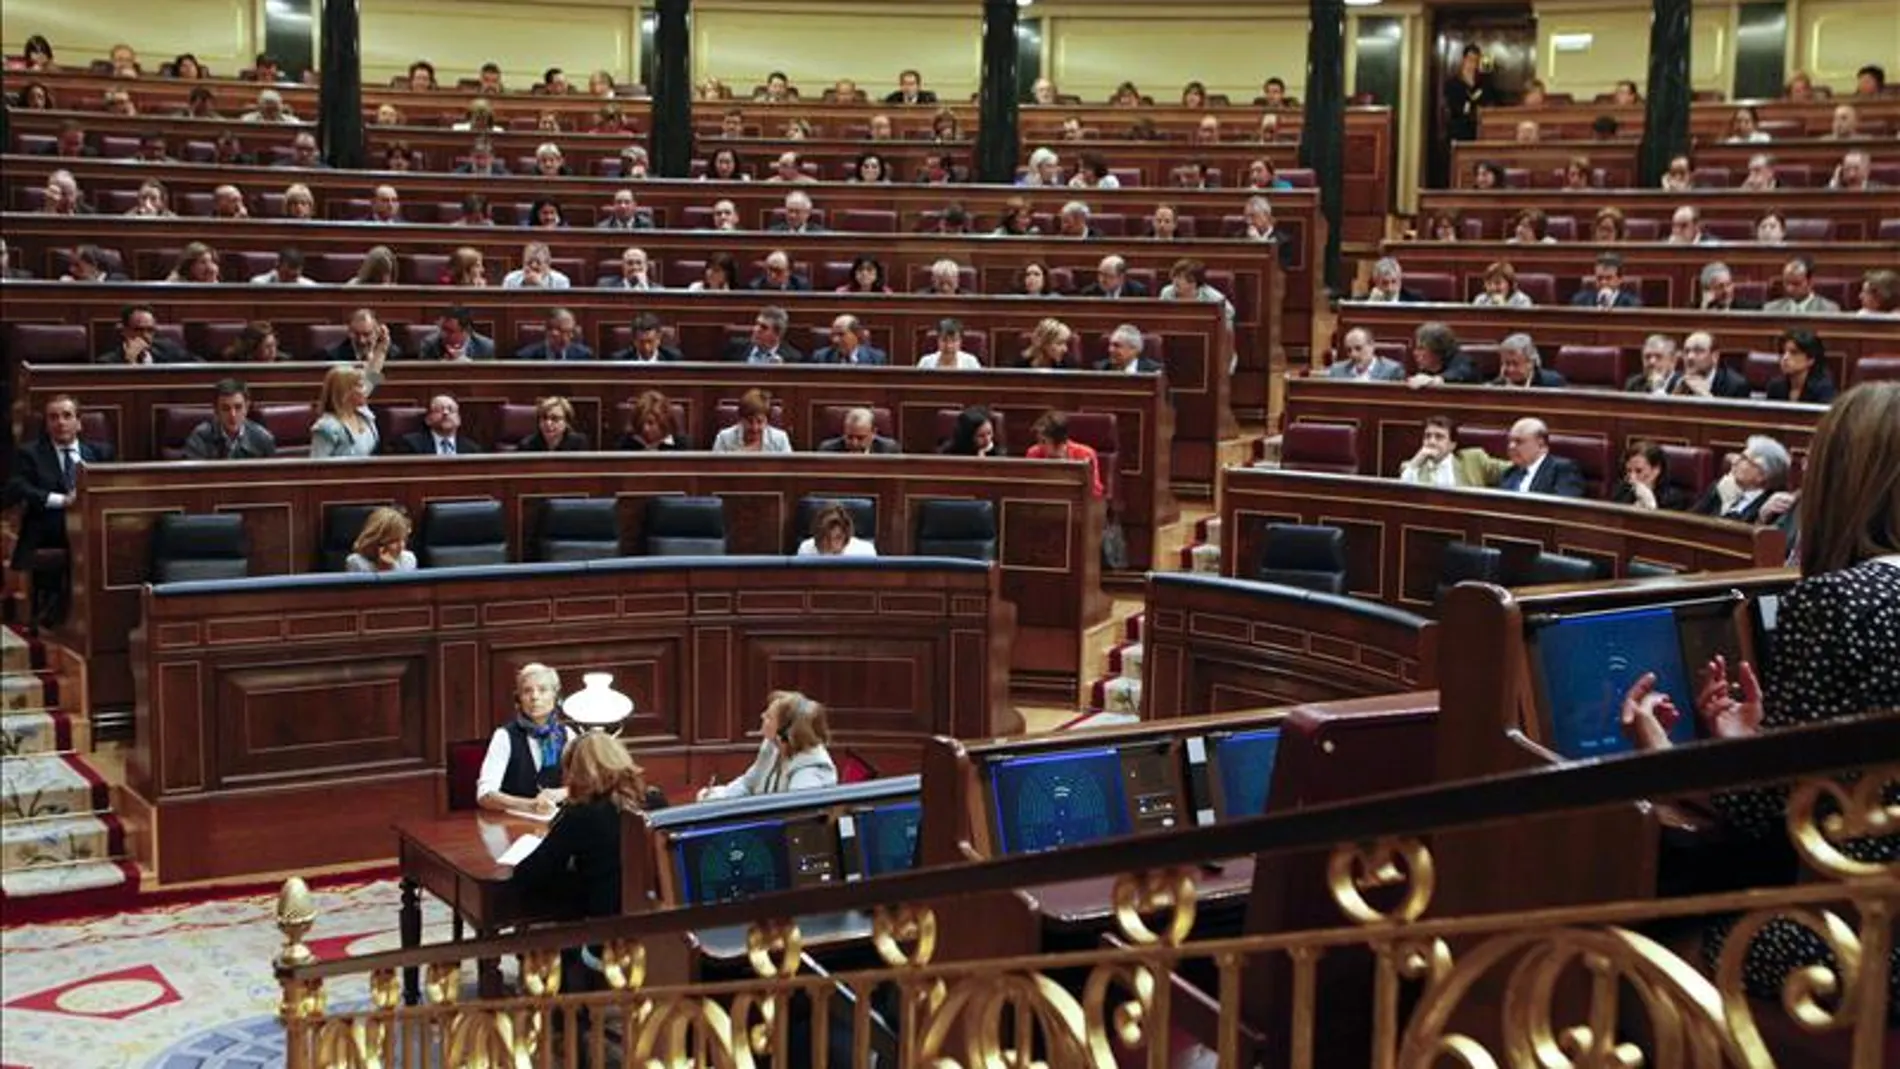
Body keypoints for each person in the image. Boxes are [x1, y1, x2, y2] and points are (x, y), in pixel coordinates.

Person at [1618, 382, 1900, 1016]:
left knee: (1651, 955)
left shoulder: (1841, 600)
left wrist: (1667, 760)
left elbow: (1769, 811)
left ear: (1841, 483)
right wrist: (1756, 745)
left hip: (1869, 942)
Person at [508, 732, 666, 941]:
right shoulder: (655, 800)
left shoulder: (582, 814)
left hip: (603, 932)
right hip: (657, 925)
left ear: (578, 772)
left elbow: (528, 874)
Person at [7, 396, 115, 624]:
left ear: (79, 422)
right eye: (53, 417)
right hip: (49, 527)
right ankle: (59, 616)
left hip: (94, 526)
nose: (61, 422)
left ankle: (103, 614)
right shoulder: (30, 454)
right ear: (46, 425)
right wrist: (62, 500)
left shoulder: (101, 454)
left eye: (67, 416)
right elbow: (17, 488)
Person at [478, 664, 581, 817]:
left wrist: (563, 793)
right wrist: (530, 805)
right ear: (518, 699)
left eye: (542, 690)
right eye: (527, 691)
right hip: (513, 822)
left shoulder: (568, 735)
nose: (534, 697)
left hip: (557, 822)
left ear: (556, 696)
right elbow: (485, 795)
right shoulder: (504, 736)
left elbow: (588, 786)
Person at [698, 692, 837, 800]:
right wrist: (718, 797)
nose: (762, 716)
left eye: (769, 717)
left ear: (785, 732)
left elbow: (793, 816)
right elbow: (749, 783)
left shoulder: (810, 771)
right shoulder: (772, 746)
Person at [1692, 436, 1791, 522]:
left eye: (1744, 459)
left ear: (1762, 475)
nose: (1735, 461)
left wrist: (1726, 506)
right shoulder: (1723, 487)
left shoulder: (1773, 506)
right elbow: (1690, 520)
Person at [309, 352, 388, 459]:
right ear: (345, 392)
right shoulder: (327, 427)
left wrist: (381, 350)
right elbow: (317, 465)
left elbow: (374, 377)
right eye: (360, 386)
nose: (365, 390)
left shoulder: (364, 414)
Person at [1398, 415, 1506, 488]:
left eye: (1439, 437)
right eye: (1427, 436)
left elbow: (1510, 470)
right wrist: (1416, 462)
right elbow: (1403, 495)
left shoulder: (1474, 460)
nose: (1431, 441)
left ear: (1452, 445)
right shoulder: (1413, 467)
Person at [1026, 411, 1105, 498]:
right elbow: (1029, 488)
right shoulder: (1034, 453)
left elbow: (1095, 491)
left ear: (1059, 441)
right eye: (1038, 440)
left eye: (1044, 441)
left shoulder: (1085, 454)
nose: (1040, 445)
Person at [1499, 418, 1584, 497]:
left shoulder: (1562, 470)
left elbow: (1564, 505)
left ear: (1541, 444)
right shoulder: (1511, 472)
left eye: (1519, 441)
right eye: (1510, 441)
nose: (1511, 446)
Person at [96, 305, 198, 364]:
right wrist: (130, 362)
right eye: (138, 330)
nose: (145, 335)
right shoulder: (107, 362)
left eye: (150, 330)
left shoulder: (167, 349)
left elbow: (200, 365)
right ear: (124, 331)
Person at [1764, 328, 1839, 404]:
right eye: (1782, 352)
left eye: (1794, 353)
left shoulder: (1823, 390)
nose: (1785, 358)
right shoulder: (1775, 387)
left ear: (1810, 359)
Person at [1612, 441, 1692, 511]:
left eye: (1639, 471)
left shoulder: (1674, 499)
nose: (1632, 477)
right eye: (1629, 471)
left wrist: (1649, 501)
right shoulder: (1622, 491)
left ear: (1656, 470)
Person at [395, 395, 483, 456]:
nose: (445, 413)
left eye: (451, 410)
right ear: (428, 420)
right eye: (438, 410)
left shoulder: (472, 449)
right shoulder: (411, 444)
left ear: (459, 420)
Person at [1673, 331, 1751, 399]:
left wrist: (1705, 396)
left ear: (1715, 356)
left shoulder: (1736, 386)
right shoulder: (1676, 379)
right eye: (1686, 351)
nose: (1690, 357)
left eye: (1698, 351)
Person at [714, 389, 793, 453]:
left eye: (760, 421)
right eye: (749, 421)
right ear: (741, 419)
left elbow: (788, 467)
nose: (754, 428)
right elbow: (716, 467)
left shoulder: (780, 439)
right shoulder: (724, 438)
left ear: (767, 421)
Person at [1408, 322, 1481, 387]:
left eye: (1421, 349)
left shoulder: (1463, 362)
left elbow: (1462, 374)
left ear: (1437, 348)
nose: (1415, 353)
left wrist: (1435, 381)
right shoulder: (1425, 370)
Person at [345, 508, 417, 573]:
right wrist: (382, 570)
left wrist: (392, 567)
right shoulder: (355, 562)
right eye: (393, 541)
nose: (401, 546)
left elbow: (403, 583)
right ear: (376, 541)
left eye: (403, 539)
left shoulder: (408, 559)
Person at [723, 307, 804, 364]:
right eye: (756, 324)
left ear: (777, 334)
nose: (756, 329)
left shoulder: (792, 358)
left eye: (764, 327)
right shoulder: (736, 348)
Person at [1764, 257, 1841, 314]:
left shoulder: (1829, 310)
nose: (1790, 289)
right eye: (1787, 283)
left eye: (1796, 284)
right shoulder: (1771, 310)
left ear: (1810, 282)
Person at [515, 308, 594, 361]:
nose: (571, 336)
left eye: (573, 331)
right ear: (553, 333)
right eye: (567, 331)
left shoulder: (584, 355)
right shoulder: (526, 357)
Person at [798, 505, 877, 558]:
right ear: (817, 536)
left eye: (837, 538)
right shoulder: (806, 550)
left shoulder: (865, 552)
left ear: (846, 537)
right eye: (826, 537)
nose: (831, 544)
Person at [618, 390, 688, 450]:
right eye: (642, 423)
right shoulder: (624, 445)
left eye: (650, 423)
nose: (645, 428)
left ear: (663, 422)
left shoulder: (681, 447)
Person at [1444, 44, 1487, 142]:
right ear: (1464, 60)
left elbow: (1488, 104)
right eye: (1470, 59)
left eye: (1475, 61)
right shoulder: (1453, 83)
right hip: (1459, 131)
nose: (1472, 64)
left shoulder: (1483, 83)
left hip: (1478, 132)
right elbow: (1453, 108)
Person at [1327, 328, 1404, 381]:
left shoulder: (1392, 370)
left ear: (1372, 346)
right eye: (1349, 350)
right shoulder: (1337, 371)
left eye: (1358, 348)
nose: (1353, 354)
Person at [419, 307, 497, 361]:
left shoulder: (486, 348)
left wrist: (467, 366)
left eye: (450, 331)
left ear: (466, 331)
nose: (443, 334)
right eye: (442, 329)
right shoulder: (430, 345)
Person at [326, 309, 401, 363]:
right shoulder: (332, 356)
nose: (362, 340)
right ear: (349, 332)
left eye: (367, 334)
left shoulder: (393, 354)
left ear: (378, 332)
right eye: (356, 334)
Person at [1570, 252, 1641, 309]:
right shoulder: (1580, 301)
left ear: (1620, 279)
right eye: (1599, 278)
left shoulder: (1632, 304)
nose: (1603, 282)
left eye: (1609, 278)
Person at [1495, 334, 1568, 388]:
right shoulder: (1496, 386)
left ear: (1531, 363)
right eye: (1507, 363)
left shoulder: (1553, 383)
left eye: (1515, 364)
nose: (1510, 369)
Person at [519, 396, 590, 452]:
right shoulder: (526, 445)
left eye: (555, 418)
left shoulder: (579, 444)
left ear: (566, 422)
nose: (548, 423)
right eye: (544, 418)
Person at [812, 316, 889, 366]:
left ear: (856, 334)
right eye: (833, 334)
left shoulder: (877, 359)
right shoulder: (821, 357)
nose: (835, 340)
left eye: (841, 334)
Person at [610, 314, 685, 363]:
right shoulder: (620, 360)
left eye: (650, 341)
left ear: (658, 339)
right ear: (634, 340)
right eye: (641, 342)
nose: (646, 347)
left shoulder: (673, 358)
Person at [819, 409, 899, 454]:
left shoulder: (889, 450)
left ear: (873, 433)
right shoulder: (828, 450)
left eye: (860, 438)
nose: (854, 443)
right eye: (849, 437)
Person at [1098, 324, 1163, 374]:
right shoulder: (1101, 369)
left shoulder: (1154, 372)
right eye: (1110, 345)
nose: (1110, 350)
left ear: (1134, 350)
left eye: (1117, 346)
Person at [1082, 255, 1149, 299]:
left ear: (1121, 277)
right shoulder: (1089, 293)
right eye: (1100, 274)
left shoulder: (1138, 293)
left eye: (1108, 276)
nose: (1102, 280)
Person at [251, 248, 315, 286]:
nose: (289, 281)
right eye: (286, 275)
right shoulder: (258, 284)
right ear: (277, 266)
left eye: (294, 276)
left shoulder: (310, 287)